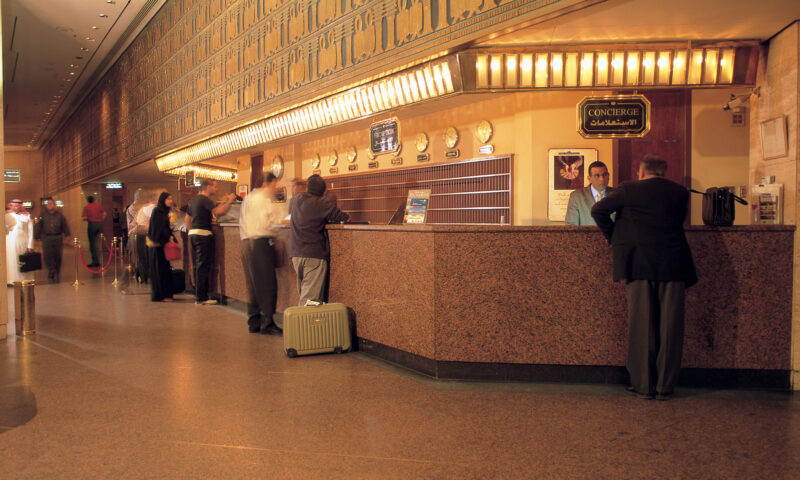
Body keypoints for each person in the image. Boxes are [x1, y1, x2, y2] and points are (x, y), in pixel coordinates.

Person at [591, 154, 698, 401]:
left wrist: (614, 237)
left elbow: (598, 210)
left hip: (638, 263)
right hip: (673, 263)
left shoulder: (628, 190)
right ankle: (665, 386)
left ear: (641, 171)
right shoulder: (680, 193)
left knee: (642, 325)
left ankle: (643, 385)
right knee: (670, 326)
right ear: (664, 171)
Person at [289, 174, 349, 306]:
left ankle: (303, 325)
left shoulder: (296, 200)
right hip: (313, 255)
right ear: (323, 191)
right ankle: (301, 326)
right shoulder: (322, 204)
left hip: (296, 255)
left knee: (304, 295)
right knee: (309, 302)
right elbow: (344, 217)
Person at [239, 172, 282, 334]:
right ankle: (267, 322)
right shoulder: (262, 199)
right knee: (267, 283)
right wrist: (276, 235)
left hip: (246, 243)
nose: (275, 188)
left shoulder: (249, 198)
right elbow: (267, 223)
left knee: (253, 284)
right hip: (260, 243)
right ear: (267, 183)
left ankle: (254, 321)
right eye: (274, 184)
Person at [186, 179, 235, 305]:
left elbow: (187, 217)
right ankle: (201, 298)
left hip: (193, 235)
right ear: (207, 187)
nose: (216, 189)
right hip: (203, 234)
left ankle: (199, 295)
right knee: (203, 266)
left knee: (197, 266)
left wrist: (191, 231)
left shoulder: (195, 199)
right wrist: (229, 200)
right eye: (214, 186)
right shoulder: (205, 199)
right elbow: (219, 211)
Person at [146, 192, 176, 302]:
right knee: (159, 270)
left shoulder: (164, 212)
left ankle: (166, 294)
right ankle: (160, 295)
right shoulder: (157, 211)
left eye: (171, 198)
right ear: (163, 200)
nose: (170, 201)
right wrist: (165, 237)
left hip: (163, 245)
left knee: (164, 270)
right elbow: (156, 229)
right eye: (168, 199)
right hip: (157, 246)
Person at [565, 160, 613, 226]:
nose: (602, 179)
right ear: (589, 178)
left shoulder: (617, 195)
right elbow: (571, 228)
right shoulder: (576, 197)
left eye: (604, 175)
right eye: (597, 176)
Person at [37, 197, 71, 283]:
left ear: (54, 205)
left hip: (57, 238)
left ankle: (57, 270)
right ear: (46, 206)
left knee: (57, 255)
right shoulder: (42, 215)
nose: (49, 205)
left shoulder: (60, 215)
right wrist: (36, 237)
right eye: (48, 204)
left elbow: (65, 225)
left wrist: (67, 235)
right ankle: (50, 271)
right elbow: (38, 226)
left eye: (51, 203)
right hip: (46, 238)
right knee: (47, 256)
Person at [5, 200, 34, 285]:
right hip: (10, 244)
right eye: (13, 206)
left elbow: (30, 232)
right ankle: (11, 280)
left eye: (17, 206)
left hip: (23, 243)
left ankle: (24, 280)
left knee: (22, 261)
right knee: (11, 261)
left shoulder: (27, 216)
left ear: (20, 206)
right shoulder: (7, 216)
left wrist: (30, 245)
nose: (15, 207)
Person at [81, 195, 106, 268]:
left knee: (92, 243)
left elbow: (84, 217)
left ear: (88, 200)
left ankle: (95, 261)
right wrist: (101, 220)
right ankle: (98, 259)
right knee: (98, 242)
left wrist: (88, 218)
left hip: (92, 225)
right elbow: (104, 214)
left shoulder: (86, 207)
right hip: (99, 224)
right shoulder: (98, 205)